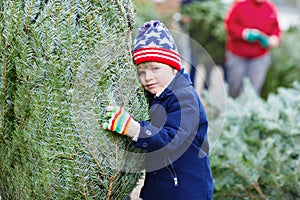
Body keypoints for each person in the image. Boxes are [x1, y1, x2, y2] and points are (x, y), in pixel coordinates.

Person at [103, 20, 214, 199]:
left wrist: (135, 129)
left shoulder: (185, 97)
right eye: (141, 71)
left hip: (187, 190)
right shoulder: (156, 95)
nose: (148, 77)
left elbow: (172, 139)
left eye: (155, 68)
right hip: (160, 187)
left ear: (172, 68)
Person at [224, 0, 281, 98]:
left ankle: (249, 111)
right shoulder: (240, 5)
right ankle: (231, 109)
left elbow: (276, 30)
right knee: (234, 86)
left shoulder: (270, 8)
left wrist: (274, 39)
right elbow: (229, 25)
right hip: (238, 55)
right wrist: (244, 33)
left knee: (254, 89)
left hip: (259, 57)